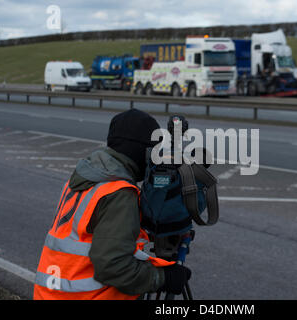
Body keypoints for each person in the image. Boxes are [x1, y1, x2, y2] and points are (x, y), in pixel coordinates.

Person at [33, 109, 191, 300]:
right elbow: (113, 266)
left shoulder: (88, 178)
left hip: (53, 292)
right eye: (153, 151)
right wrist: (164, 277)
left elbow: (93, 233)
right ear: (141, 150)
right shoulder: (119, 193)